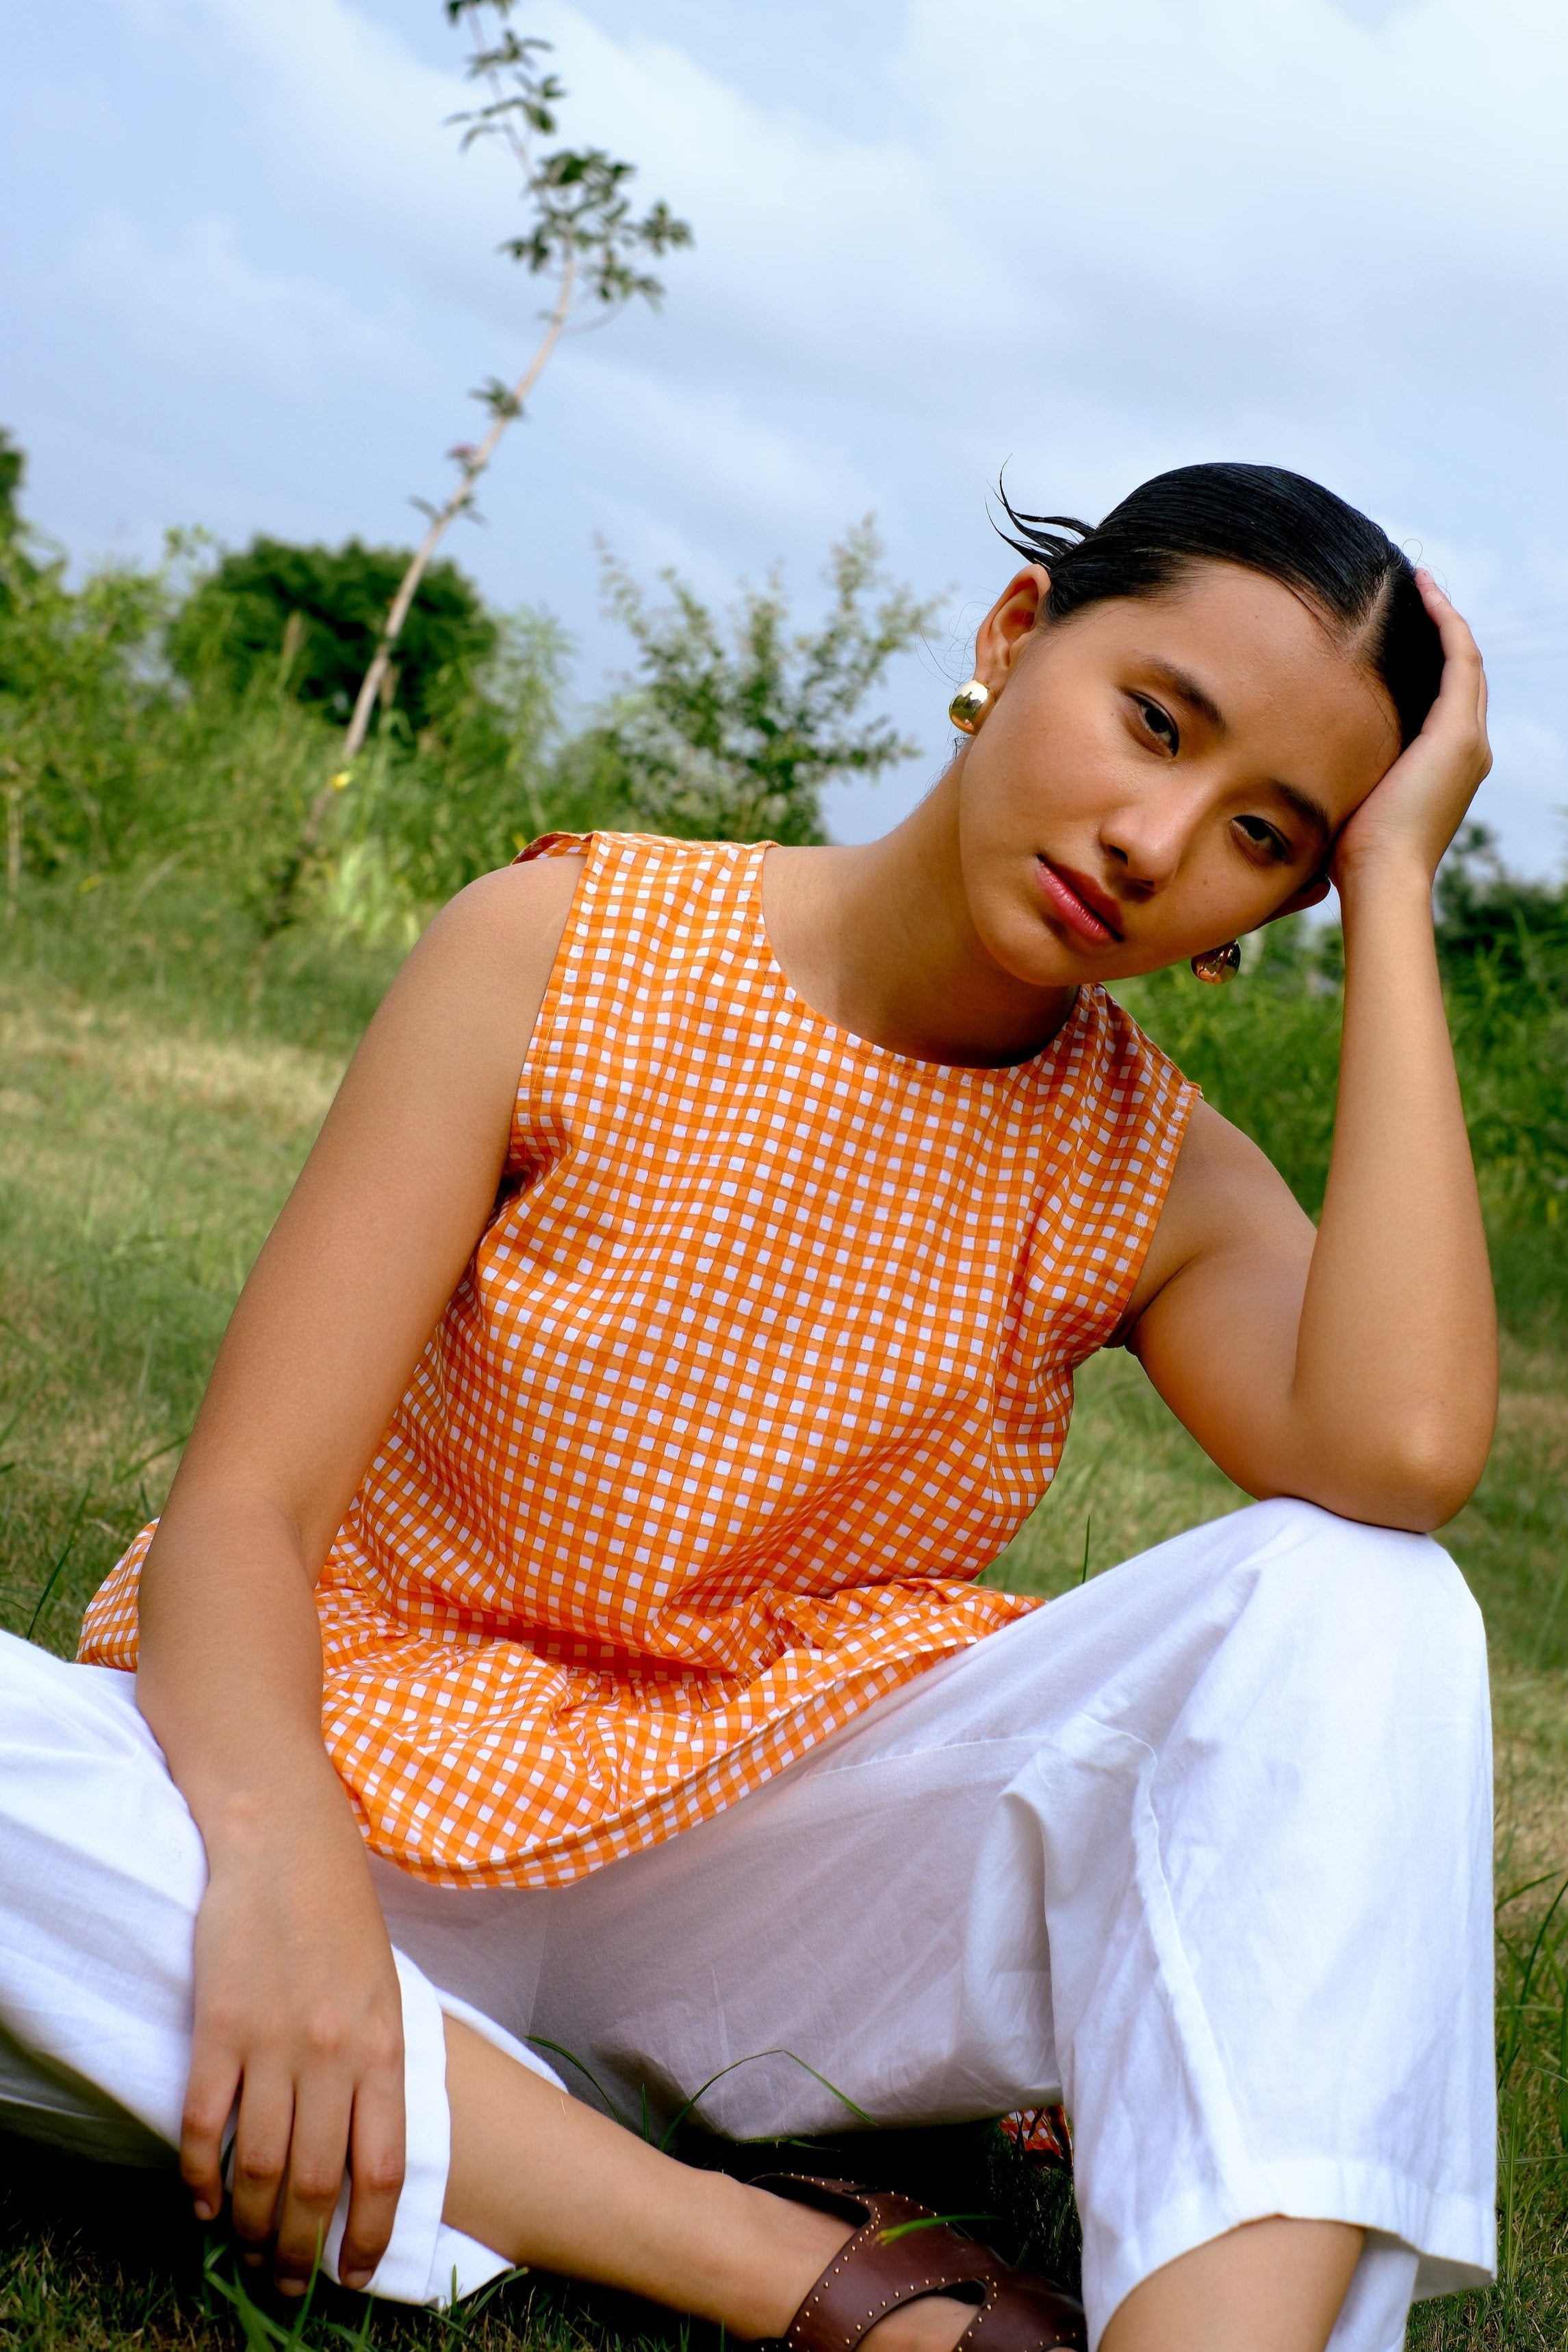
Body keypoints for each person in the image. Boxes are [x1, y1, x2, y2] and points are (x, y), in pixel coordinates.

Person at [0, 463, 1498, 2352]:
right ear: (1015, 636)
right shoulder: (557, 948)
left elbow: (1399, 1455)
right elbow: (244, 1517)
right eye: (1151, 721)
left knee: (1361, 1602)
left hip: (756, 1888)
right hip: (333, 1796)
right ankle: (798, 2269)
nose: (1149, 837)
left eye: (1260, 834)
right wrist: (286, 1879)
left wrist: (1394, 886)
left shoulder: (1149, 1172)